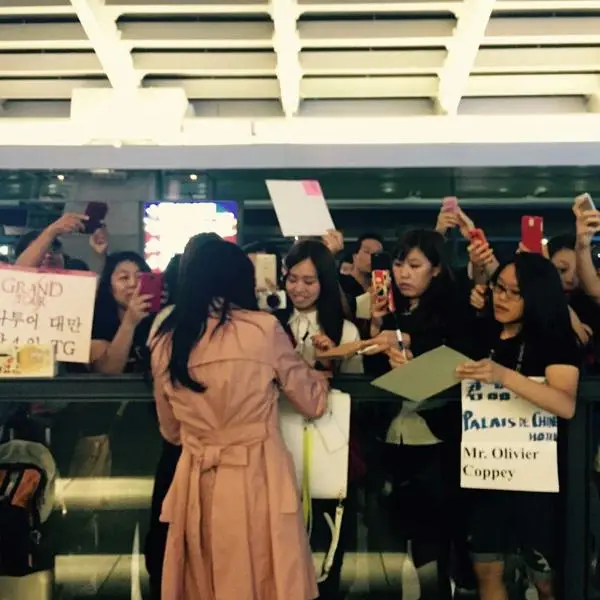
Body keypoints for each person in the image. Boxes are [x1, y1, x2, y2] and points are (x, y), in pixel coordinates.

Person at [150, 235, 330, 600]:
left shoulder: (166, 341)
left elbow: (170, 430)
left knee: (203, 579)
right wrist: (319, 377)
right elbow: (312, 403)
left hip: (196, 478)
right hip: (257, 474)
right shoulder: (262, 330)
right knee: (265, 575)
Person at [457, 252, 580, 600]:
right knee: (486, 568)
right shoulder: (483, 331)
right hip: (485, 471)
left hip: (538, 478)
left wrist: (504, 376)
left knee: (545, 578)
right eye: (499, 288)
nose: (502, 298)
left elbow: (565, 404)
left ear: (537, 295)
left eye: (514, 293)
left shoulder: (555, 339)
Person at [339, 233, 383, 297]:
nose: (372, 257)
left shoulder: (383, 286)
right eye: (367, 252)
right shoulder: (341, 284)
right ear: (355, 256)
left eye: (377, 254)